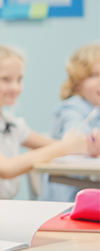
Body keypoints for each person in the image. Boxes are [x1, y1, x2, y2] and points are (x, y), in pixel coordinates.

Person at [0, 42, 99, 207]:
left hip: (3, 209)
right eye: (5, 79)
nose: (15, 87)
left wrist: (84, 146)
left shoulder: (10, 122)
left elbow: (52, 146)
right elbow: (5, 168)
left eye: (19, 79)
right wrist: (67, 146)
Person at [41, 44, 100, 202]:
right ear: (76, 83)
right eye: (93, 75)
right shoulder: (71, 108)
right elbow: (78, 137)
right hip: (69, 198)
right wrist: (91, 141)